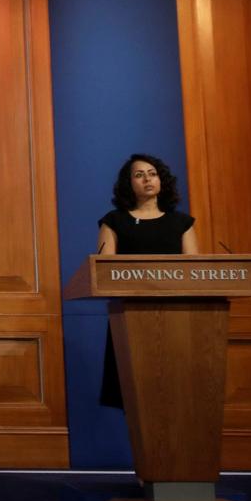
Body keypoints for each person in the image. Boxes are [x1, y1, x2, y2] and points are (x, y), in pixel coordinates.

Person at [96, 153, 198, 408]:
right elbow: (105, 270)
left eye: (152, 174)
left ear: (162, 180)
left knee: (177, 395)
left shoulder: (181, 223)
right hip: (131, 316)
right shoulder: (115, 221)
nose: (147, 179)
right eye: (139, 175)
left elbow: (195, 271)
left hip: (176, 317)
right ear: (128, 183)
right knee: (135, 396)